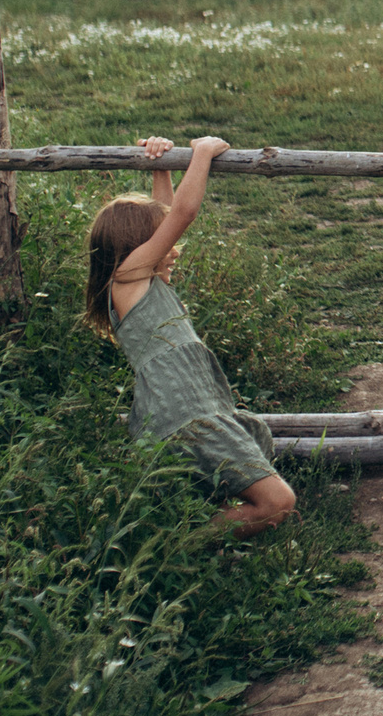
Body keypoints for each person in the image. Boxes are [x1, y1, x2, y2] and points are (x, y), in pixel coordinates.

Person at [85, 134, 296, 538]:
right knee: (276, 503)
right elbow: (181, 213)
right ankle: (178, 548)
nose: (170, 244)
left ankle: (193, 544)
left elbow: (169, 216)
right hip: (183, 413)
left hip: (191, 408)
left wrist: (160, 164)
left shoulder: (136, 283)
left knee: (225, 491)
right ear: (135, 247)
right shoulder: (126, 278)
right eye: (157, 236)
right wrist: (201, 152)